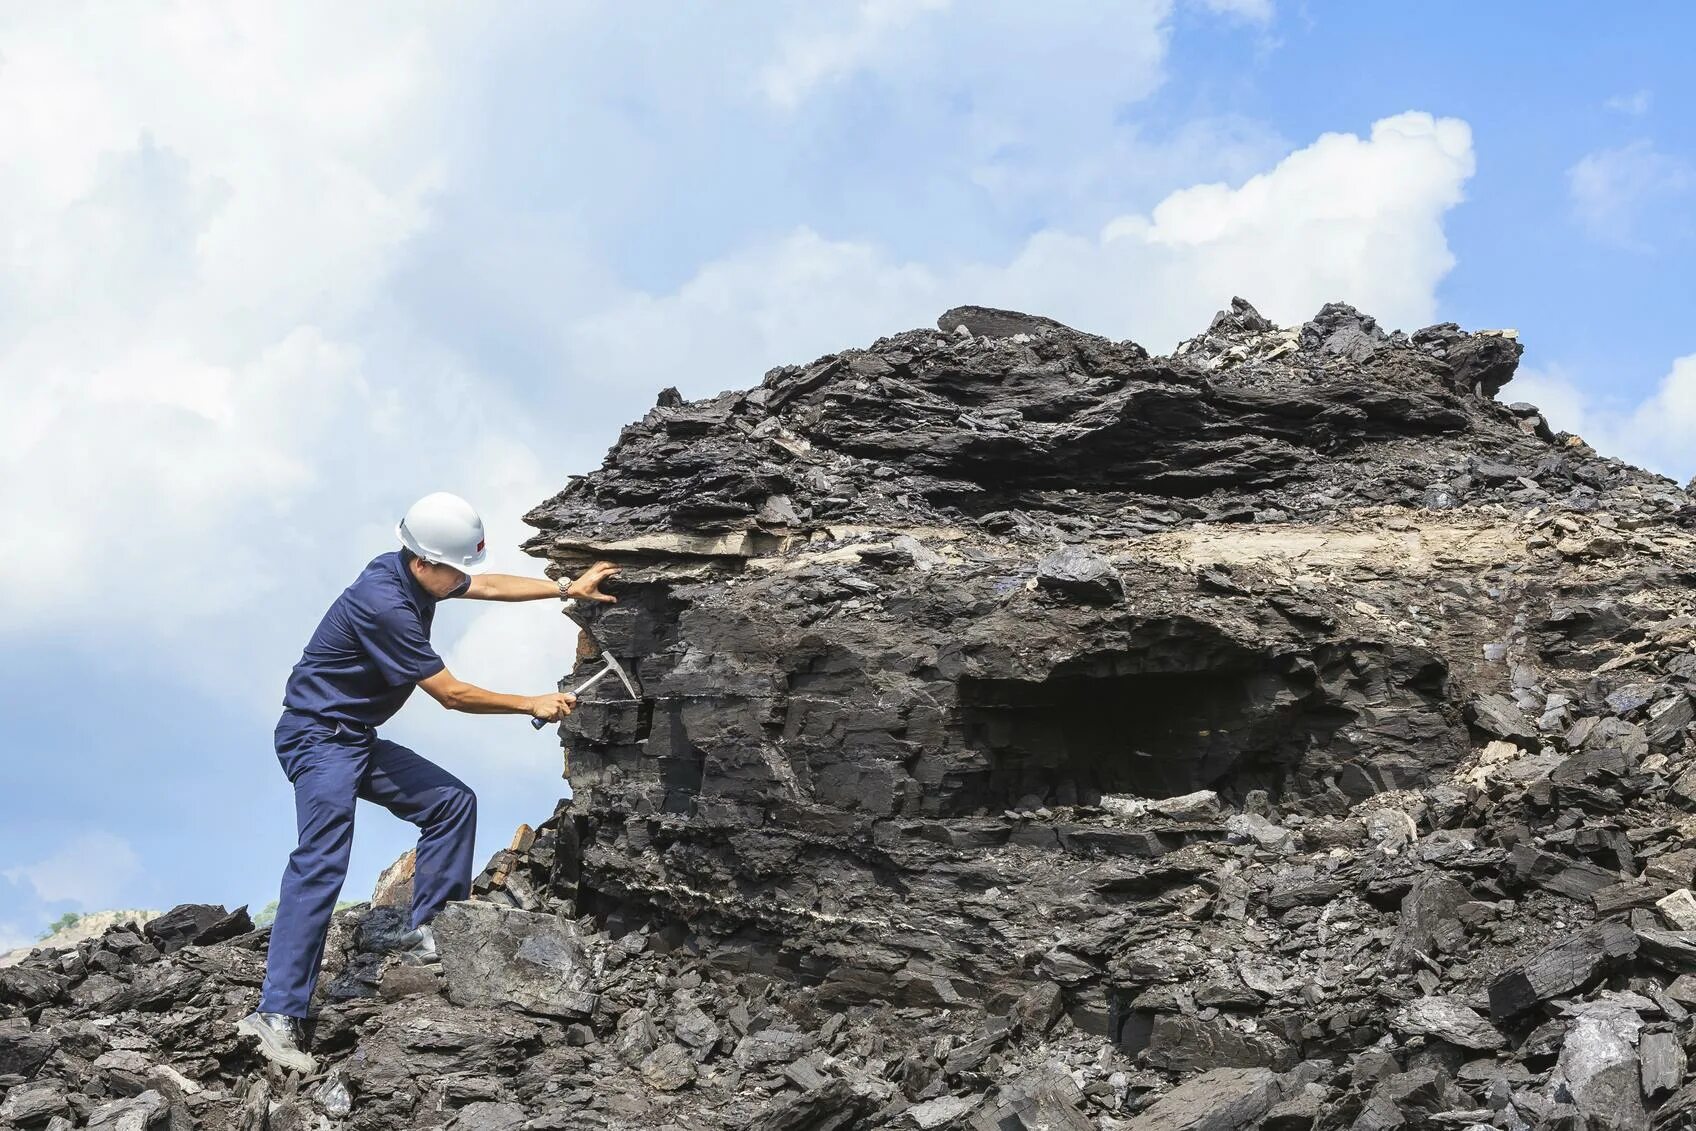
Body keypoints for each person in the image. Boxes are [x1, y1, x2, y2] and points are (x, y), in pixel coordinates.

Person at [236, 492, 619, 1072]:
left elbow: (485, 586)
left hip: (353, 736)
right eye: (454, 570)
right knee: (322, 862)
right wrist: (529, 702)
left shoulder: (419, 571)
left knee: (450, 803)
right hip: (317, 738)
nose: (461, 579)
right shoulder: (384, 604)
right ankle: (277, 1013)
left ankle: (431, 931)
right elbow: (451, 695)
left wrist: (567, 588)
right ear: (424, 562)